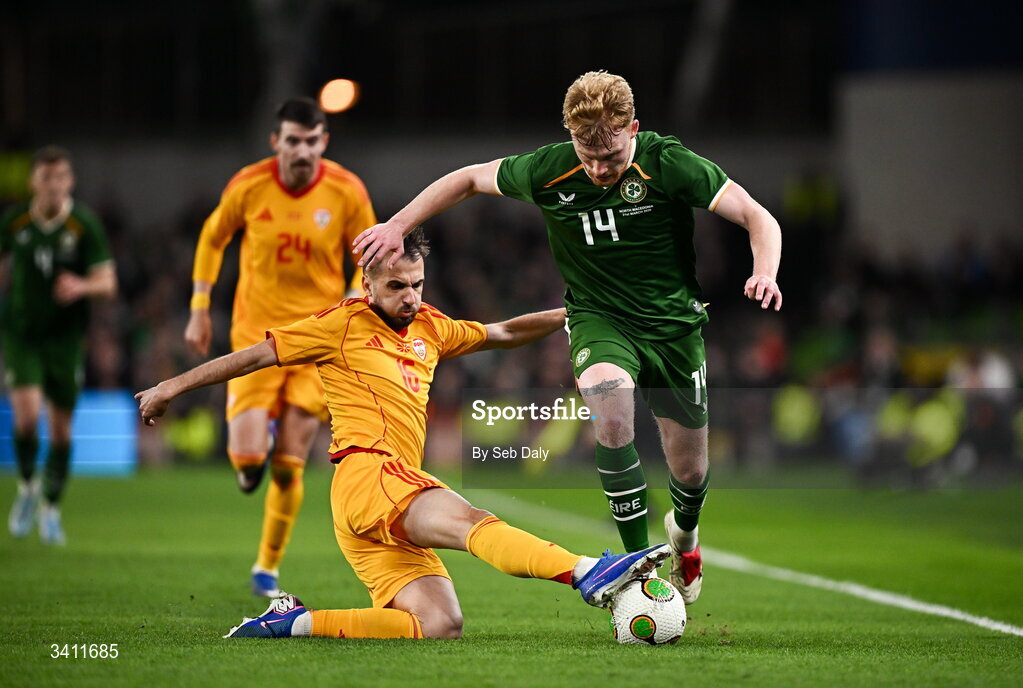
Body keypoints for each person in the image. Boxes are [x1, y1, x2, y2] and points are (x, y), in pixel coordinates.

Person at [353, 70, 783, 605]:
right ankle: (643, 572)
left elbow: (757, 217)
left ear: (634, 129)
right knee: (611, 412)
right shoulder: (549, 169)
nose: (599, 170)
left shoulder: (669, 164)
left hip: (675, 330)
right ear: (571, 138)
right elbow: (467, 178)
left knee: (691, 473)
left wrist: (764, 271)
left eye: (611, 157)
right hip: (599, 319)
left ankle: (685, 538)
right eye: (588, 156)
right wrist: (397, 225)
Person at [137, 228, 670, 639]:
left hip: (382, 496)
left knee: (439, 623)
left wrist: (575, 313)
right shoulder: (338, 324)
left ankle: (294, 622)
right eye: (396, 286)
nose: (410, 296)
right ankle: (585, 572)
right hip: (369, 472)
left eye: (417, 284)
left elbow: (503, 332)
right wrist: (170, 387)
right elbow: (252, 356)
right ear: (366, 281)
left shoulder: (431, 327)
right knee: (471, 521)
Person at [185, 97, 377, 597]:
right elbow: (212, 237)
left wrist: (357, 290)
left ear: (323, 143)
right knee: (249, 466)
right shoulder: (249, 185)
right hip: (255, 339)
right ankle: (253, 455)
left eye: (312, 141)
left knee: (290, 463)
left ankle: (266, 568)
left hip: (317, 341)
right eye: (293, 140)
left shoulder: (346, 189)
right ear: (276, 142)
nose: (303, 150)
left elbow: (369, 252)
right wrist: (200, 306)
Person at [2, 146, 117, 545]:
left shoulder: (83, 225)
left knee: (62, 432)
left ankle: (51, 507)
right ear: (34, 182)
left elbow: (108, 282)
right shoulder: (14, 222)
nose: (54, 185)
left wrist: (81, 285)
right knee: (27, 418)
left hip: (66, 340)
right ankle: (29, 486)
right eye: (46, 178)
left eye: (61, 177)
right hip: (22, 334)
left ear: (70, 181)